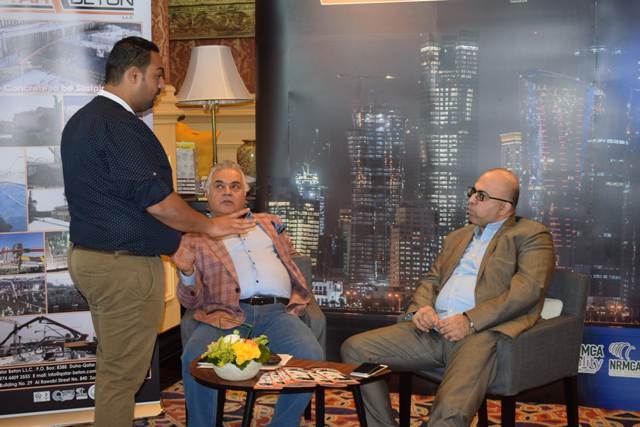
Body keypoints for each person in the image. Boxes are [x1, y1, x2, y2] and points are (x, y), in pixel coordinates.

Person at [61, 37, 254, 427]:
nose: (162, 85)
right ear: (133, 74)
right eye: (158, 75)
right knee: (122, 377)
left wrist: (172, 243)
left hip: (92, 259)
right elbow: (157, 201)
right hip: (123, 269)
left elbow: (120, 202)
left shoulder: (82, 120)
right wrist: (209, 225)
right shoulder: (120, 126)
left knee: (114, 367)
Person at [341, 168, 556, 427]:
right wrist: (421, 309)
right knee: (356, 349)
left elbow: (527, 289)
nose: (471, 200)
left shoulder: (531, 234)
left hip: (479, 333)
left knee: (449, 410)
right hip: (433, 329)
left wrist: (470, 320)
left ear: (504, 208)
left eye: (481, 196)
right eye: (472, 192)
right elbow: (432, 280)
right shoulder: (457, 237)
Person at [172, 160, 324, 427]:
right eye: (219, 186)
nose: (227, 192)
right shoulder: (193, 238)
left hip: (278, 313)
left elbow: (294, 259)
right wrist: (187, 272)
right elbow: (189, 300)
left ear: (245, 193)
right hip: (225, 316)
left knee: (311, 356)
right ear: (208, 194)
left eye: (235, 186)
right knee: (193, 359)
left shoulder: (269, 224)